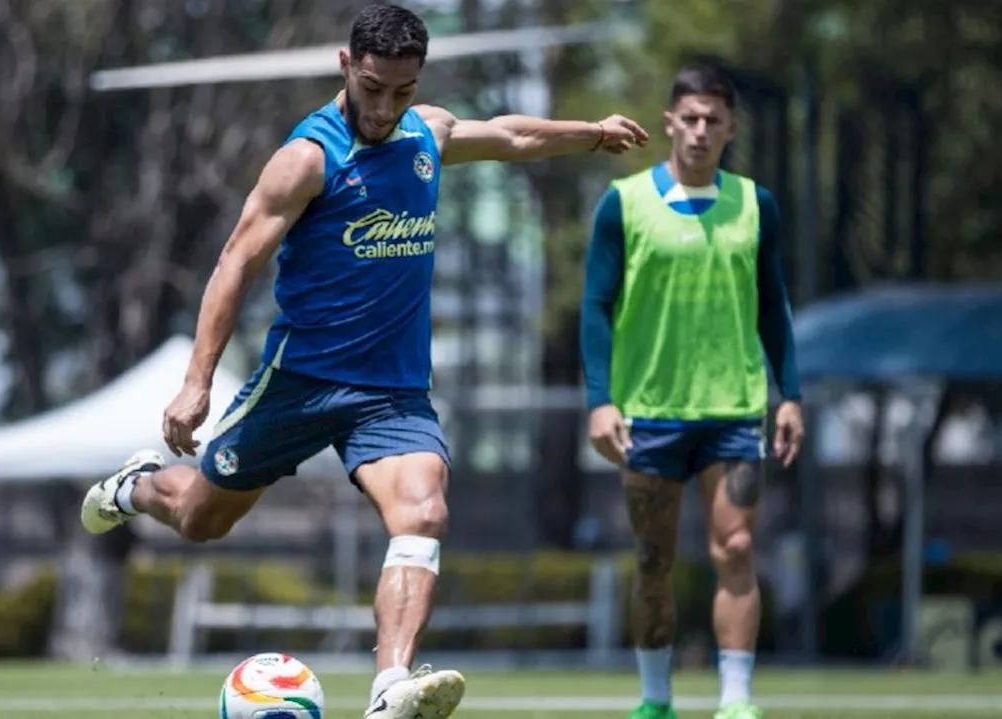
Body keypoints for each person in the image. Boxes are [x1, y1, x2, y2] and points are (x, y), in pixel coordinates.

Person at [80, 4, 649, 719]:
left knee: (425, 509)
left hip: (392, 391)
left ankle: (390, 688)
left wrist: (591, 133)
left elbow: (508, 135)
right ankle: (136, 485)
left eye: (402, 92)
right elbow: (235, 262)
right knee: (200, 517)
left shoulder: (426, 133)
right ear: (347, 66)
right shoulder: (306, 158)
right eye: (374, 88)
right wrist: (196, 381)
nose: (385, 107)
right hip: (301, 381)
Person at [579, 66, 804, 719]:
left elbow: (774, 307)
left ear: (731, 128)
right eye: (691, 118)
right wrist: (600, 398)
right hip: (647, 413)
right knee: (653, 559)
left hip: (734, 411)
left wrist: (788, 393)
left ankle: (736, 701)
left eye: (714, 120)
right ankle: (656, 698)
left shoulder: (758, 204)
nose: (701, 131)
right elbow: (594, 306)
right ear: (671, 121)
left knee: (734, 548)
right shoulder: (622, 203)